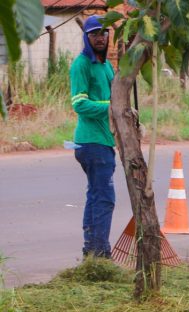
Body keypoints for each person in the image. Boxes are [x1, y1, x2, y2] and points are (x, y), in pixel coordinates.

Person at [70, 15, 115, 259]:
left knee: (95, 195)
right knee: (105, 198)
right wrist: (112, 108)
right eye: (95, 33)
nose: (100, 37)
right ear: (86, 37)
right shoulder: (81, 64)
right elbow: (79, 104)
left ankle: (92, 249)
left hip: (105, 140)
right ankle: (100, 252)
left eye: (104, 33)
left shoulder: (106, 64)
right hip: (91, 141)